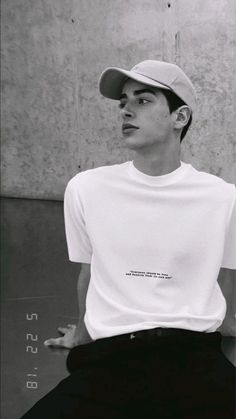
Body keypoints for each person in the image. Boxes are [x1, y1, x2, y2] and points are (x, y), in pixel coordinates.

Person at [21, 60, 236, 418]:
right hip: (111, 357)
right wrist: (85, 329)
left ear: (179, 117)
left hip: (194, 356)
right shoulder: (87, 188)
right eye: (124, 100)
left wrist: (227, 326)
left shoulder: (223, 197)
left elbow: (227, 272)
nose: (125, 109)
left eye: (143, 100)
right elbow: (89, 272)